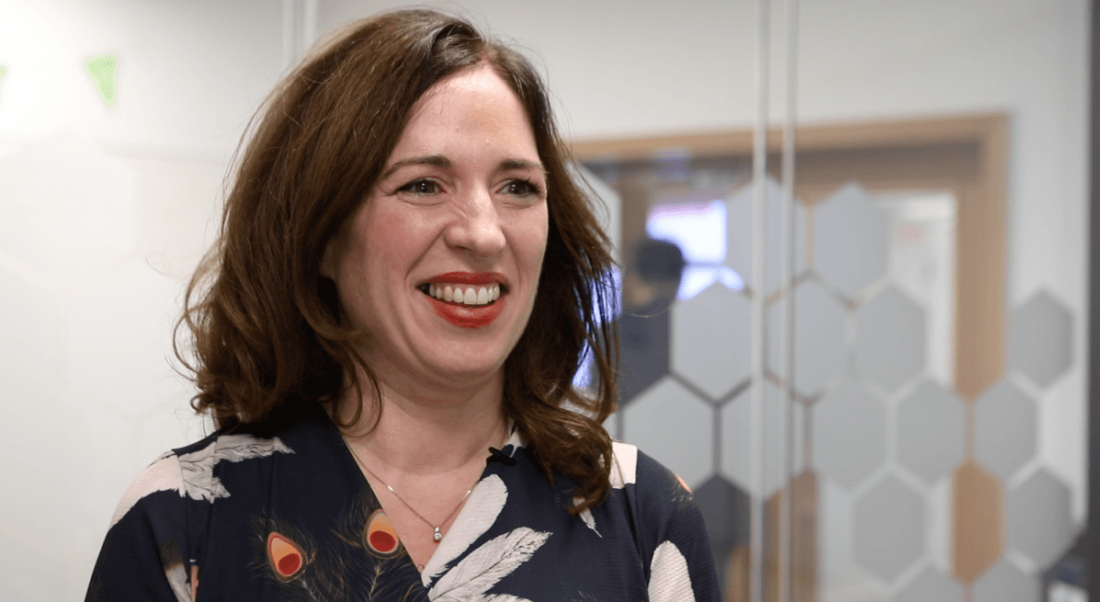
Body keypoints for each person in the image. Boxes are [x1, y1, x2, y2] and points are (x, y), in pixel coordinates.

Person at [86, 9, 720, 601]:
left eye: (518, 187)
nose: (483, 231)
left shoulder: (644, 517)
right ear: (322, 236)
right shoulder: (182, 521)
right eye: (423, 184)